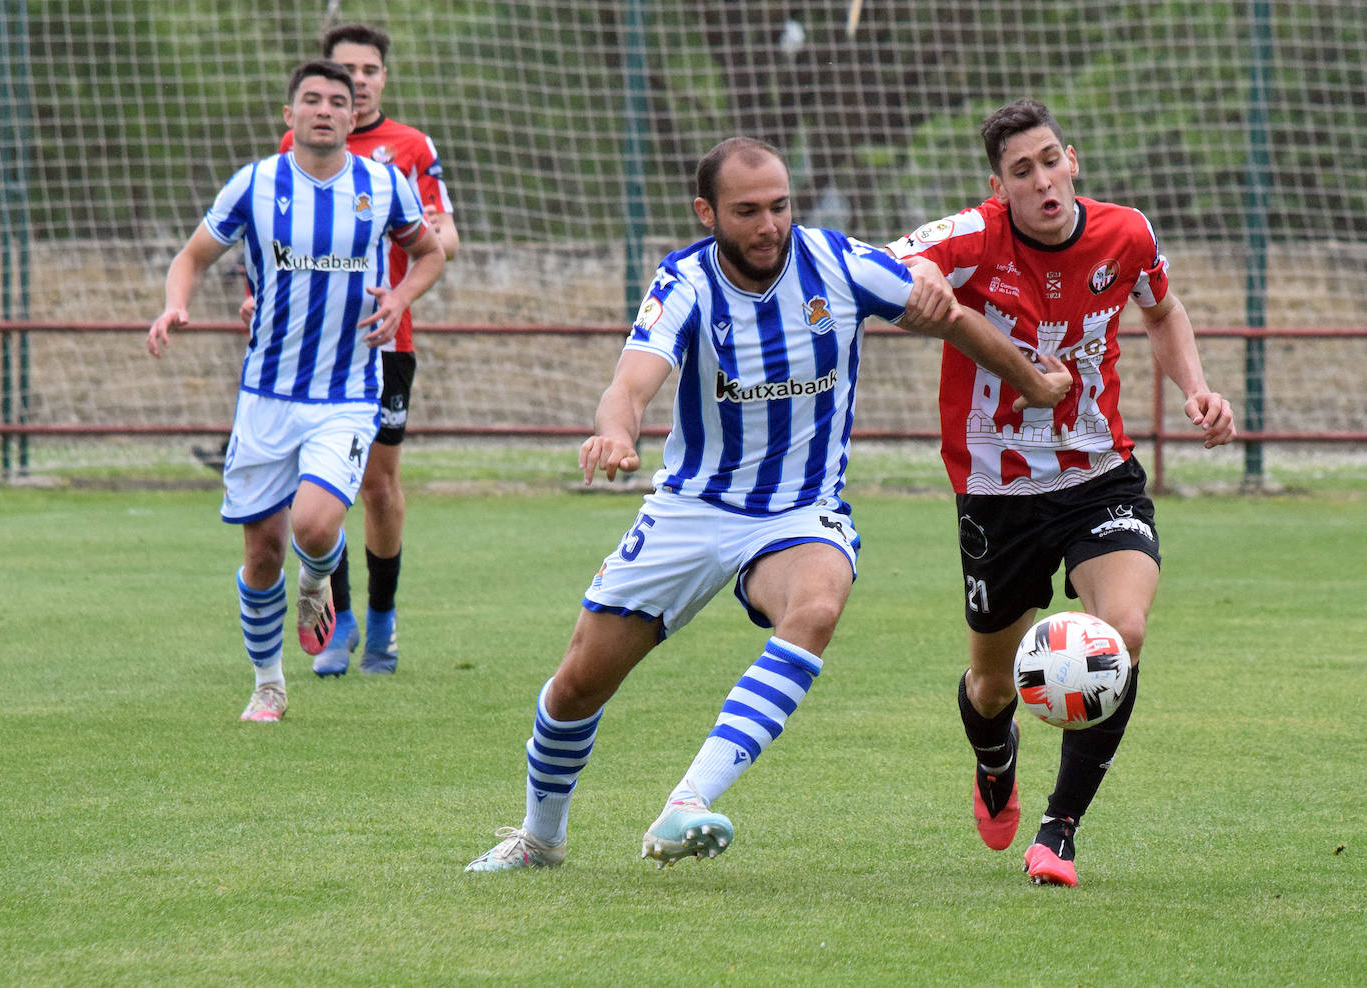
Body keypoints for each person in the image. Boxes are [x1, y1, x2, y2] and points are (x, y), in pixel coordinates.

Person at [464, 137, 1071, 872]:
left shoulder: (839, 264)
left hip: (799, 511)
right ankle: (539, 839)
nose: (769, 225)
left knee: (816, 605)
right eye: (747, 211)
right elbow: (631, 380)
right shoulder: (684, 280)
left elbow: (946, 316)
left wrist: (1030, 382)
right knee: (576, 685)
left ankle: (688, 802)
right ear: (706, 212)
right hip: (694, 506)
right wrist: (615, 433)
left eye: (780, 206)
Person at [887, 98, 1236, 886]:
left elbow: (1164, 309)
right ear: (998, 186)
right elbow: (885, 261)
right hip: (995, 491)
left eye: (1051, 161)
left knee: (1124, 631)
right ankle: (993, 753)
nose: (1043, 181)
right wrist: (920, 278)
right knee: (988, 683)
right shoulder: (975, 237)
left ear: (1071, 158)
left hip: (1097, 476)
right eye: (1022, 171)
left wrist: (1197, 389)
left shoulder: (1127, 233)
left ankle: (1060, 828)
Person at [148, 60, 445, 722]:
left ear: (352, 116)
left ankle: (318, 579)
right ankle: (268, 684)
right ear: (290, 116)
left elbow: (430, 252)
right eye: (310, 99)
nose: (324, 109)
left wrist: (398, 298)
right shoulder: (254, 185)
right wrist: (174, 305)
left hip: (346, 390)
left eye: (337, 101)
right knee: (261, 550)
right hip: (266, 395)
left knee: (313, 525)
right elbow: (193, 256)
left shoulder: (382, 182)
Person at [267, 23, 461, 678]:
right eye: (346, 69)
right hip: (308, 351)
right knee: (318, 490)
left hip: (383, 343)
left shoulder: (407, 149)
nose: (358, 80)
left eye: (369, 69)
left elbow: (444, 237)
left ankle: (381, 619)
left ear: (381, 77)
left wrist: (404, 284)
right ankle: (338, 619)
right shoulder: (299, 143)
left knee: (378, 485)